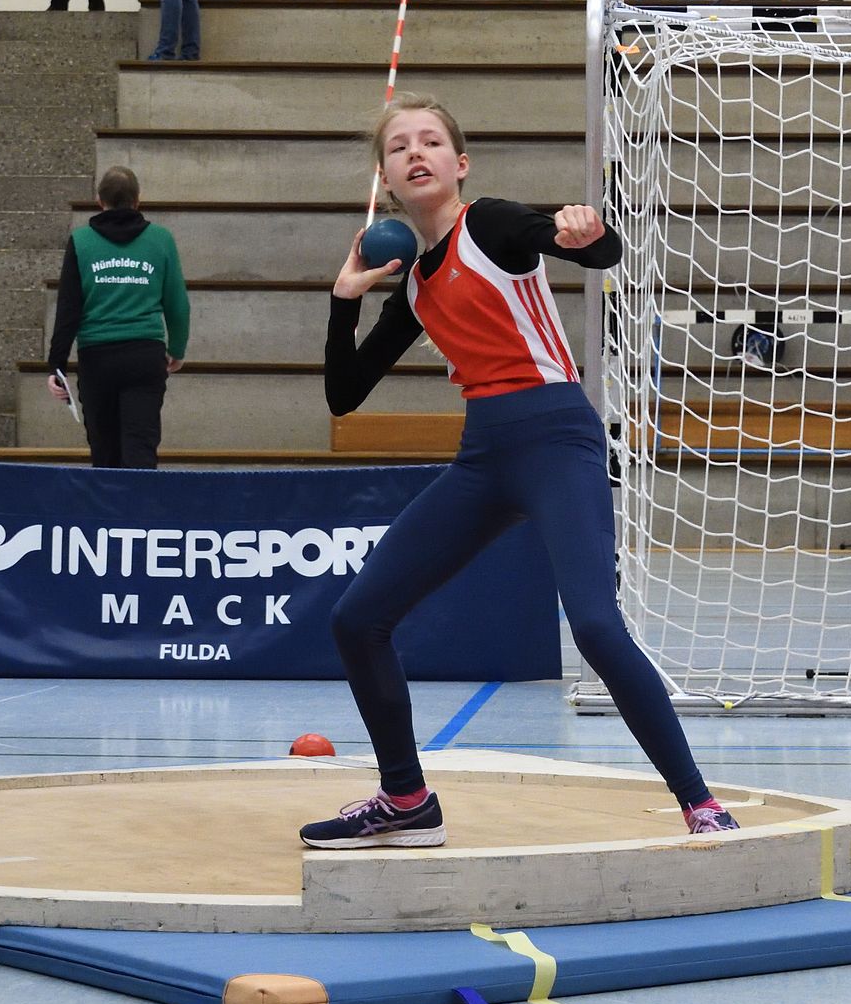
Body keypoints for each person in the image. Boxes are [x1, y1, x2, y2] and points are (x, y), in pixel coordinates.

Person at [301, 93, 739, 847]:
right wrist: (344, 300)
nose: (416, 152)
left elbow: (594, 253)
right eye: (400, 147)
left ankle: (700, 804)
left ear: (460, 163)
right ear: (386, 180)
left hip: (557, 438)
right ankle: (406, 800)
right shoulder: (413, 284)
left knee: (594, 625)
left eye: (431, 140)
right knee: (356, 618)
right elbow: (345, 392)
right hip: (485, 458)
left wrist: (586, 231)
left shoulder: (493, 224)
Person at [45, 166, 190, 468]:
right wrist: (177, 348)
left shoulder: (82, 241)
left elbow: (69, 307)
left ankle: (107, 499)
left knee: (104, 450)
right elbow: (177, 304)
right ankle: (138, 500)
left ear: (100, 201)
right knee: (141, 447)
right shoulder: (161, 239)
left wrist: (57, 365)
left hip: (97, 357)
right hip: (144, 355)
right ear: (138, 201)